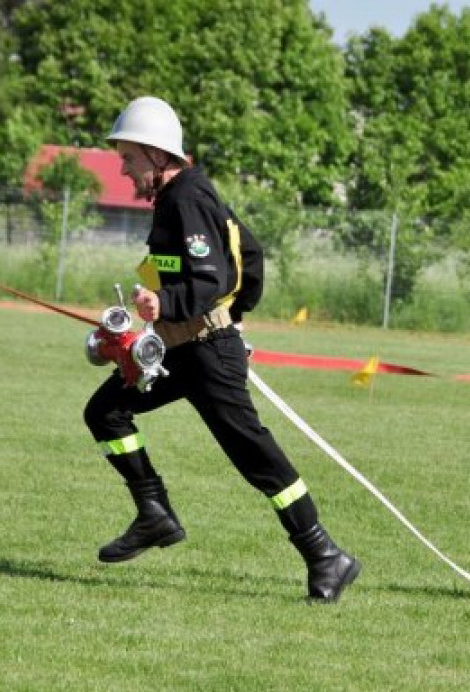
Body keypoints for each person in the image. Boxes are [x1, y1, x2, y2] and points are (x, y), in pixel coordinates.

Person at [83, 96, 361, 603]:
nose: (123, 170)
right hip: (181, 349)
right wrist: (161, 313)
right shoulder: (176, 199)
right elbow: (247, 252)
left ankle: (326, 556)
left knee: (254, 455)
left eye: (128, 158)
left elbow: (210, 279)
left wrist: (176, 304)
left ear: (155, 153)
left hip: (209, 352)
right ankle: (154, 512)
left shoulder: (187, 196)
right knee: (106, 412)